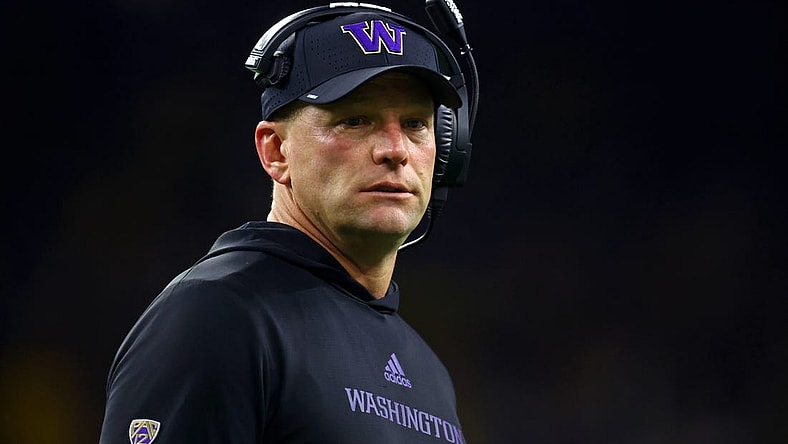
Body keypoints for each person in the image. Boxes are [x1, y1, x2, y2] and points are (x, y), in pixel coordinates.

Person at [99, 2, 478, 443]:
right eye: (355, 120)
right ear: (276, 152)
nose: (396, 149)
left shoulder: (428, 371)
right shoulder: (219, 315)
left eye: (415, 124)